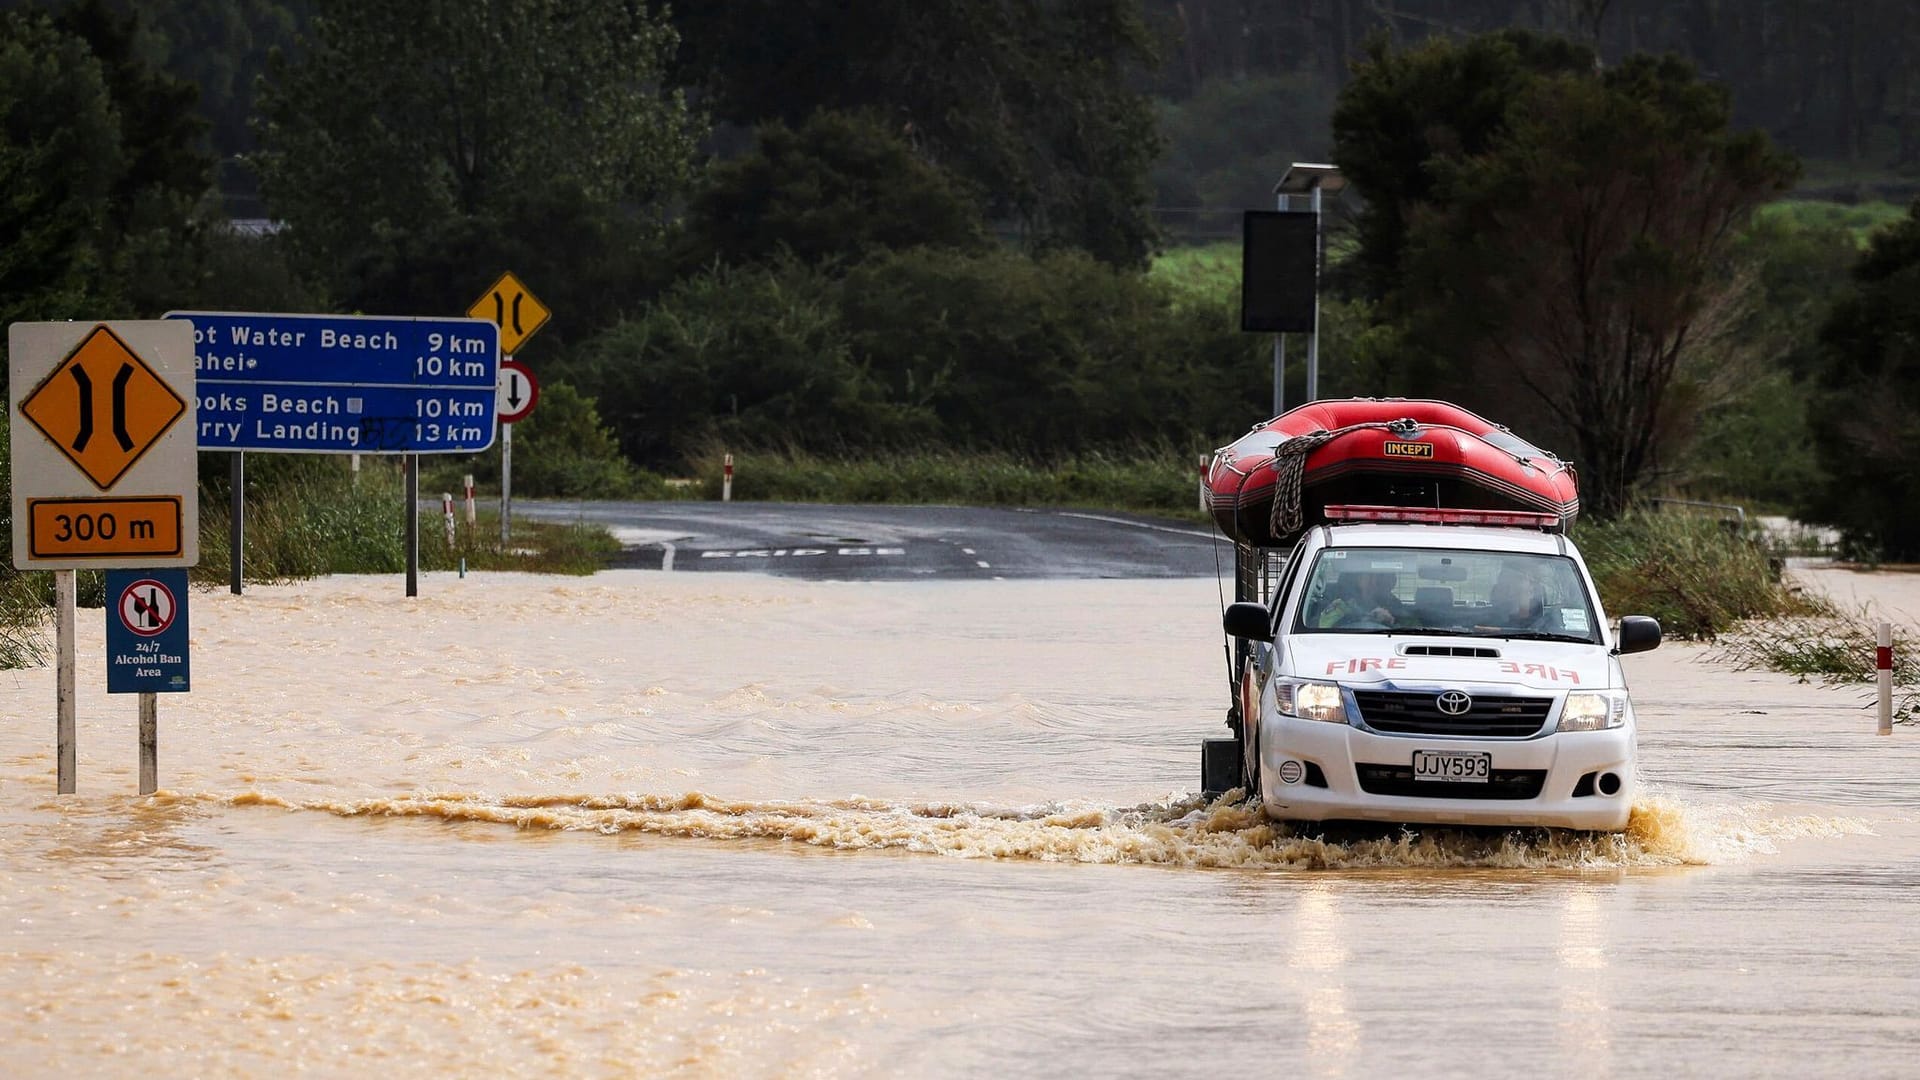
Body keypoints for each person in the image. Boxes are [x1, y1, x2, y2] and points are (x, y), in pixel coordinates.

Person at [1313, 571, 1406, 627]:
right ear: (1357, 580)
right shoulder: (1340, 605)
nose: (1374, 582)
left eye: (1378, 578)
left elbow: (1414, 626)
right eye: (1369, 577)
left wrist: (1391, 622)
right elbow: (1323, 627)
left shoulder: (1394, 604)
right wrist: (1367, 617)